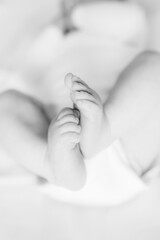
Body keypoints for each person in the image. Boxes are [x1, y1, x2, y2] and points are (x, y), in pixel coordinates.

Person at [0, 0, 160, 191]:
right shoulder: (57, 41)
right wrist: (56, 30)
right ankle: (48, 162)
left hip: (122, 137)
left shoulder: (130, 29)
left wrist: (75, 15)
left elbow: (130, 19)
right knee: (6, 102)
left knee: (153, 66)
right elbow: (30, 68)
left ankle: (106, 127)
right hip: (58, 149)